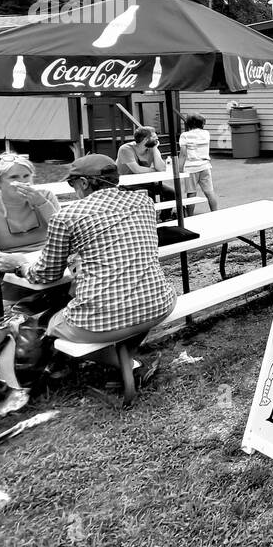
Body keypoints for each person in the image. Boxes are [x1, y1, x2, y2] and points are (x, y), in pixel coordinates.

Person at [18, 155, 176, 395]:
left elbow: (46, 274)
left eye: (73, 185)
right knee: (120, 306)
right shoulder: (143, 202)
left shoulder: (68, 216)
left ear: (83, 183)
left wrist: (21, 266)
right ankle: (127, 361)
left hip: (102, 319)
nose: (74, 190)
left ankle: (58, 371)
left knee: (49, 323)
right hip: (159, 304)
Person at [0, 153, 64, 303]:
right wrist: (5, 261)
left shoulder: (45, 196)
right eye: (14, 177)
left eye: (26, 176)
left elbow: (66, 231)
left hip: (46, 264)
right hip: (7, 274)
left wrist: (42, 204)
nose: (23, 182)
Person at [115, 126, 175, 206]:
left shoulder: (151, 148)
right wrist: (155, 170)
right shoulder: (125, 149)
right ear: (146, 140)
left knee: (171, 193)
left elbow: (161, 168)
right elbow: (137, 170)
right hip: (127, 184)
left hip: (145, 182)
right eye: (154, 137)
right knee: (149, 196)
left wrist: (154, 149)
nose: (157, 138)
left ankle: (164, 217)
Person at [179, 113, 219, 212]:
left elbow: (183, 154)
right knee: (209, 191)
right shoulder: (206, 133)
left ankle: (190, 216)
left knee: (191, 192)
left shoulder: (185, 135)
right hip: (205, 165)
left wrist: (179, 168)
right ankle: (215, 212)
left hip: (191, 167)